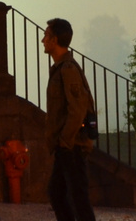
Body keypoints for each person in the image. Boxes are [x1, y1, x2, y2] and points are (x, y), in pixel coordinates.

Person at [44, 18, 96, 221]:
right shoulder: (60, 67)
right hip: (65, 144)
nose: (43, 40)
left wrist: (65, 140)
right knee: (59, 193)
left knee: (77, 197)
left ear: (55, 39)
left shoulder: (67, 69)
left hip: (71, 145)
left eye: (46, 35)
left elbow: (77, 109)